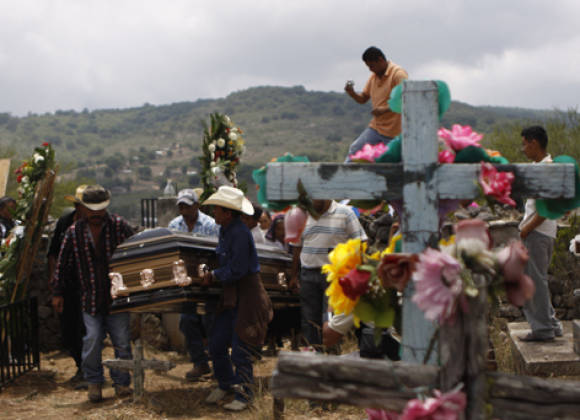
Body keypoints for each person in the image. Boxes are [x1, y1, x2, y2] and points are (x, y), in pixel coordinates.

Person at [51, 185, 135, 403]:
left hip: (117, 297)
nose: (96, 214)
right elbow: (62, 264)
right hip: (90, 298)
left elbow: (137, 247)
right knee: (92, 340)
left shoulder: (119, 226)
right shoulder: (73, 232)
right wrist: (57, 292)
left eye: (100, 209)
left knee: (122, 342)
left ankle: (122, 383)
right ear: (84, 209)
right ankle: (94, 382)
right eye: (92, 209)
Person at [201, 186, 273, 411]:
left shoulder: (239, 233)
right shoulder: (225, 230)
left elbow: (238, 268)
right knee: (217, 343)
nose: (213, 213)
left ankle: (244, 395)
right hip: (231, 294)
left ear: (228, 213)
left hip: (247, 294)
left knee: (241, 347)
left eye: (217, 209)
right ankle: (226, 383)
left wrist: (213, 275)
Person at [289, 199, 367, 349]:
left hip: (335, 276)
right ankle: (313, 352)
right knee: (309, 317)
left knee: (330, 319)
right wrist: (294, 276)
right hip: (308, 274)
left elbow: (361, 242)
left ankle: (332, 353)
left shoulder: (346, 213)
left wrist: (356, 271)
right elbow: (297, 247)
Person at [518, 126, 563, 342]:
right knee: (538, 279)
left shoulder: (547, 169)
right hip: (541, 233)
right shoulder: (542, 166)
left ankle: (543, 329)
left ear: (534, 142)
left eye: (525, 144)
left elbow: (548, 206)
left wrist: (527, 228)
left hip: (537, 233)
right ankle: (551, 324)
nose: (523, 149)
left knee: (534, 281)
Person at [168, 188, 219, 381]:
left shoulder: (210, 224)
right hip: (186, 283)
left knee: (210, 322)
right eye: (181, 206)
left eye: (187, 206)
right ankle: (200, 363)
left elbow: (215, 252)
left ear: (196, 206)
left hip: (208, 281)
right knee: (187, 322)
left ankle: (217, 363)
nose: (184, 209)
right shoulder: (174, 225)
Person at [47, 185, 88, 387]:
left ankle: (89, 369)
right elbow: (53, 252)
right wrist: (55, 279)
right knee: (68, 328)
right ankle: (80, 364)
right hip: (67, 284)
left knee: (87, 327)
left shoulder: (95, 223)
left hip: (89, 285)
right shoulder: (65, 221)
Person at [344, 46, 408, 162]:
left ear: (380, 60)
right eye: (368, 67)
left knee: (397, 163)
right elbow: (363, 98)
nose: (370, 69)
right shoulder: (374, 77)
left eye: (371, 66)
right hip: (377, 127)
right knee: (355, 150)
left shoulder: (398, 74)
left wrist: (383, 110)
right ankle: (342, 178)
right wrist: (352, 93)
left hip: (396, 131)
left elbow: (406, 100)